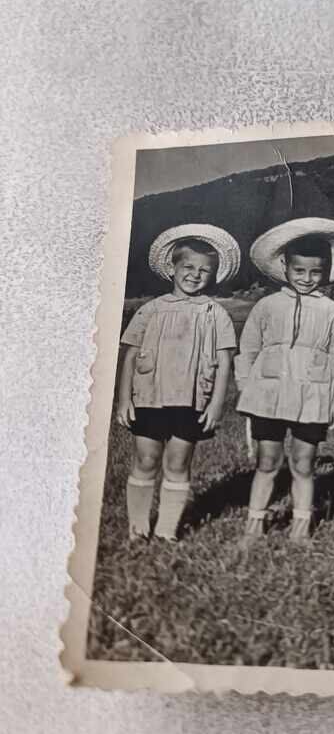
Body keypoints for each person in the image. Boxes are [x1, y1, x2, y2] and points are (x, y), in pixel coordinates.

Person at [235, 217, 334, 547]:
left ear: (324, 271)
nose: (307, 279)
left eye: (314, 272)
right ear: (284, 266)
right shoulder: (266, 306)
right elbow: (249, 348)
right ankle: (254, 525)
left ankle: (300, 529)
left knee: (303, 462)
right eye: (299, 271)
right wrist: (245, 387)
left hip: (313, 397)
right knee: (267, 460)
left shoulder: (333, 313)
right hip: (268, 396)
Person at [116, 223, 240, 541]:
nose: (195, 275)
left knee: (178, 461)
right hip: (148, 397)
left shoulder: (216, 313)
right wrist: (124, 399)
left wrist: (216, 403)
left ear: (213, 276)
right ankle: (137, 529)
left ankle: (167, 530)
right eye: (188, 267)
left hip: (191, 399)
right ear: (172, 268)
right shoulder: (150, 310)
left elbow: (225, 361)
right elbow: (130, 355)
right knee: (146, 459)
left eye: (204, 270)